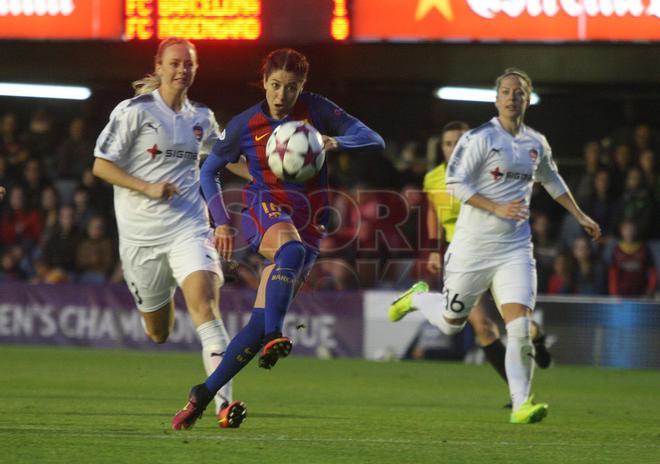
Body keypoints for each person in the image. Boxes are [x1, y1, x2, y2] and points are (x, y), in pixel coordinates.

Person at [172, 48, 384, 430]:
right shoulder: (244, 124)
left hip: (309, 221)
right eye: (274, 85)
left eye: (291, 87)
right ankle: (275, 335)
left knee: (254, 325)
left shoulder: (316, 110)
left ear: (302, 86)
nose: (282, 95)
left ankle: (201, 397)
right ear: (264, 82)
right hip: (262, 210)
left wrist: (336, 142)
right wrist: (221, 221)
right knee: (289, 252)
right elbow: (209, 172)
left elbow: (374, 139)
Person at [388, 68, 601, 424]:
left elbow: (551, 179)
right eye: (506, 91)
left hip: (514, 249)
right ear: (496, 98)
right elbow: (454, 183)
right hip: (471, 248)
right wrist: (496, 206)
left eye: (519, 92)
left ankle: (521, 404)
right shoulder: (479, 138)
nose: (512, 97)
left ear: (527, 98)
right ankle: (417, 299)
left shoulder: (536, 143)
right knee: (451, 323)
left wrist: (579, 215)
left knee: (519, 325)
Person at [92, 38, 249, 429]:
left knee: (207, 310)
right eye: (175, 63)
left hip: (189, 228)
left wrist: (277, 174)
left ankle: (222, 406)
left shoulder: (203, 118)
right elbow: (100, 166)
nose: (182, 70)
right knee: (158, 332)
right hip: (141, 240)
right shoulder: (134, 112)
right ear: (159, 67)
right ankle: (165, 299)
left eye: (189, 65)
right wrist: (146, 187)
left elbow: (229, 161)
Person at [402, 121, 551, 385]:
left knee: (517, 325)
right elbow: (434, 216)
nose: (453, 147)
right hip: (464, 259)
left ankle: (536, 337)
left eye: (459, 141)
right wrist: (433, 250)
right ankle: (517, 391)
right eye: (448, 143)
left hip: (500, 253)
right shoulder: (434, 178)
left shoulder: (490, 173)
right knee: (481, 326)